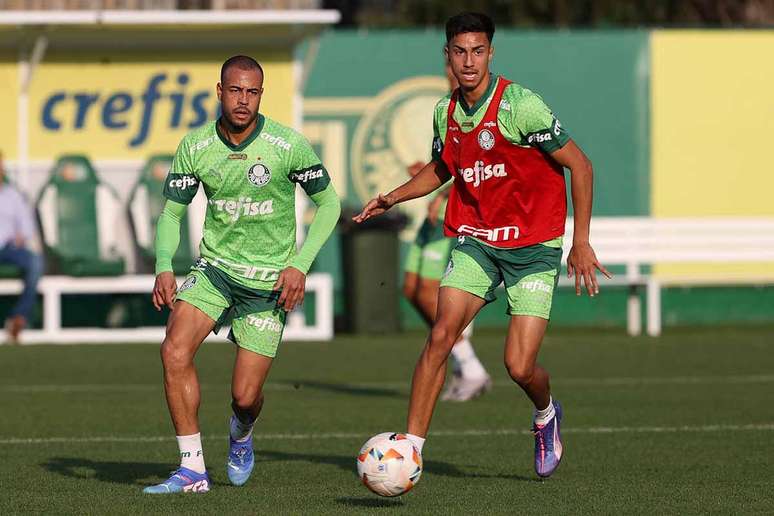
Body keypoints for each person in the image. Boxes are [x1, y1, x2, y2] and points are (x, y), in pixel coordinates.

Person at [355, 12, 610, 478]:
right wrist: (393, 196)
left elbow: (582, 165)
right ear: (447, 55)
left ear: (490, 53)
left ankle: (546, 413)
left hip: (534, 247)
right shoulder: (445, 112)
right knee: (440, 335)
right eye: (459, 51)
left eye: (477, 51)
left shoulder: (520, 105)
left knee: (518, 366)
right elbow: (443, 168)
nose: (468, 61)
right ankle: (410, 450)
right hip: (477, 241)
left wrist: (582, 241)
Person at [144, 55, 341, 494]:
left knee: (245, 396)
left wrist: (299, 265)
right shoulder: (195, 146)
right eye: (235, 91)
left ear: (261, 95)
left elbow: (329, 205)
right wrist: (163, 266)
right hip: (215, 270)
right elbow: (172, 213)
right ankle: (192, 469)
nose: (243, 101)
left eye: (252, 92)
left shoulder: (287, 145)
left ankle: (242, 431)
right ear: (219, 91)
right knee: (174, 350)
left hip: (269, 284)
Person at [403, 159, 490, 401]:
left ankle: (470, 366)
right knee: (410, 289)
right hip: (432, 216)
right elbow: (446, 162)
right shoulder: (444, 120)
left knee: (426, 291)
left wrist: (442, 195)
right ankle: (461, 361)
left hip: (447, 216)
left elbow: (473, 167)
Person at [0, 152, 44, 344]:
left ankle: (19, 317)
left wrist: (21, 236)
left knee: (35, 261)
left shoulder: (13, 195)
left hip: (9, 249)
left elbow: (26, 226)